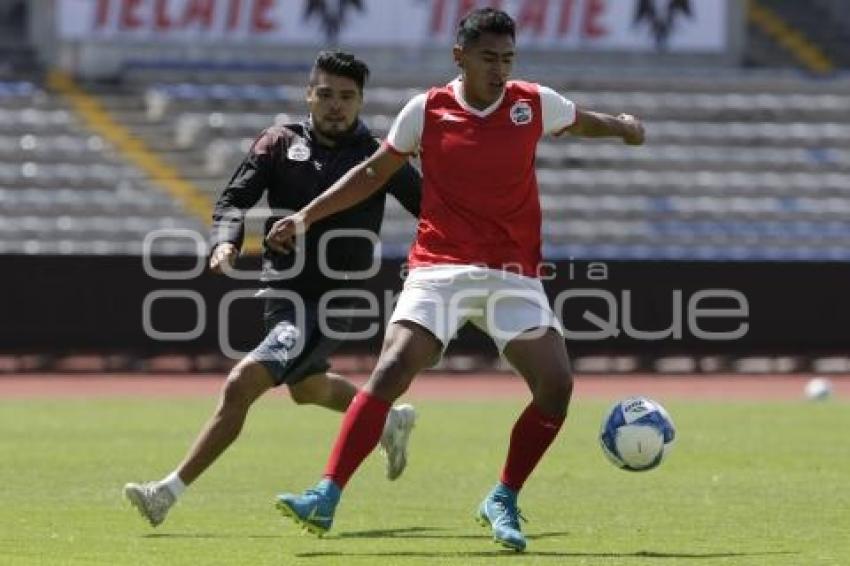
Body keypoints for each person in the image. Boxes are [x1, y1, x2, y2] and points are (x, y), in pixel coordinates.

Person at [267, 9, 645, 552]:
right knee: (392, 368)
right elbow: (373, 173)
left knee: (557, 388)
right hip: (439, 267)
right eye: (488, 58)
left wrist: (624, 127)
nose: (499, 69)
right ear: (459, 57)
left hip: (512, 273)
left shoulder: (532, 103)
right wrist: (306, 216)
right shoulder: (427, 110)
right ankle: (325, 492)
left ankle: (503, 497)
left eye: (507, 59)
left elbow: (584, 120)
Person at [123, 51, 423, 527]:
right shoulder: (278, 142)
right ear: (309, 94)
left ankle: (167, 491)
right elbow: (232, 201)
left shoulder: (377, 156)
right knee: (307, 389)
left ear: (361, 101)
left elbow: (427, 206)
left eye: (347, 97)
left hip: (334, 299)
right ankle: (388, 421)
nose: (335, 106)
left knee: (242, 383)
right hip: (280, 292)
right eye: (326, 94)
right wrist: (226, 243)